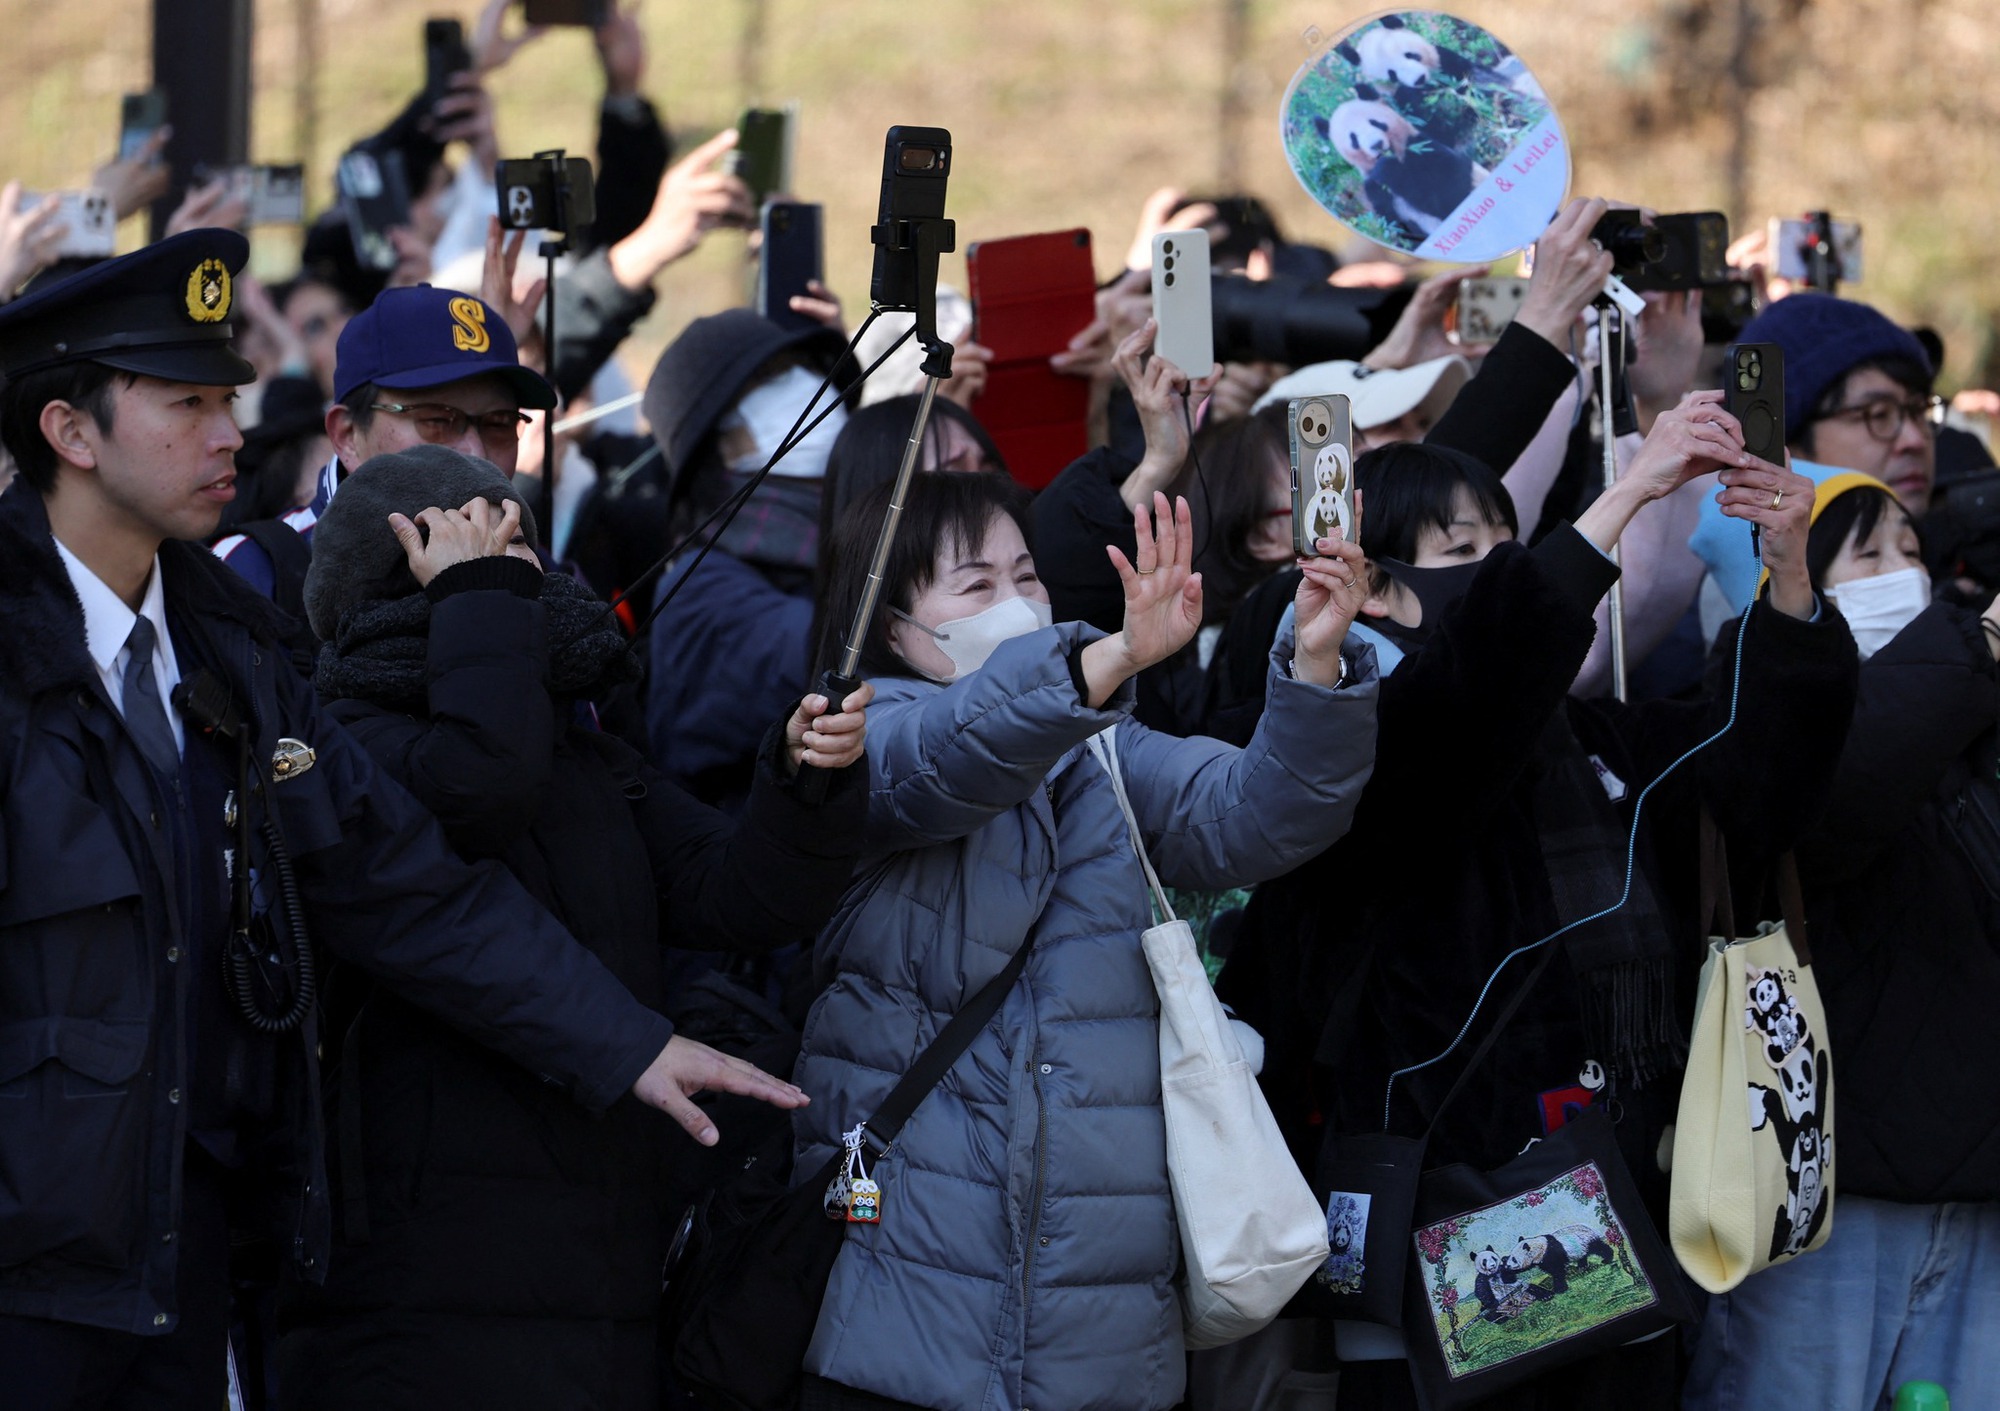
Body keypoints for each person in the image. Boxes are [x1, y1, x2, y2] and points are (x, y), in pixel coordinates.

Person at [0, 229, 804, 1411]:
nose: (230, 431)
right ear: (71, 432)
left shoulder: (236, 644)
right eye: (185, 401)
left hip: (190, 1261)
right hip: (27, 1268)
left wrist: (622, 1042)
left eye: (226, 396)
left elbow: (398, 877)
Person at [1219, 395, 1859, 1409]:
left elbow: (1751, 772)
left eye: (1510, 542)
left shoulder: (1591, 742)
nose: (1507, 565)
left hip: (1620, 1200)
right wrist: (1634, 488)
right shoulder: (1346, 747)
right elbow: (1475, 693)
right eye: (1464, 544)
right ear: (1371, 589)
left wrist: (1785, 576)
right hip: (1450, 1203)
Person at [275, 445, 871, 1410]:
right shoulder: (345, 744)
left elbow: (742, 896)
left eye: (521, 554)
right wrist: (479, 599)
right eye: (485, 555)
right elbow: (479, 789)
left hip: (600, 1265)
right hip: (422, 1288)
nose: (528, 579)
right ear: (408, 577)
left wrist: (806, 779)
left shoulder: (579, 751)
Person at [793, 469, 1381, 1410]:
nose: (1018, 604)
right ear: (896, 627)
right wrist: (1103, 662)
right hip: (904, 1289)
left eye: (1027, 576)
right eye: (976, 584)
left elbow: (1260, 817)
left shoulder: (1102, 748)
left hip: (1101, 1311)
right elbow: (950, 759)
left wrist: (1314, 666)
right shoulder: (861, 738)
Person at [1683, 474, 2000, 1411]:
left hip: (1975, 1184)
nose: (1903, 574)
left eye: (1911, 550)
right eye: (1866, 554)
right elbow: (1835, 803)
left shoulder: (1972, 710)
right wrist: (1971, 654)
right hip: (1819, 1198)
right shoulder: (1751, 711)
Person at [213, 282, 556, 609]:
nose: (476, 451)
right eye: (437, 420)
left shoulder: (546, 575)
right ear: (347, 435)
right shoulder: (251, 571)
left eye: (499, 423)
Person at [641, 308, 851, 805]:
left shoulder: (832, 532)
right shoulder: (698, 590)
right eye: (767, 378)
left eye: (803, 365)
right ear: (723, 442)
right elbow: (849, 661)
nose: (803, 384)